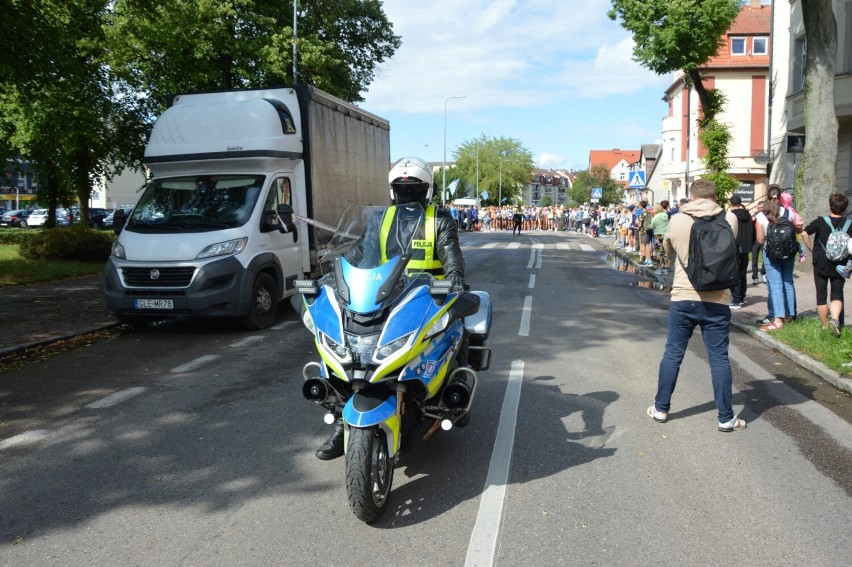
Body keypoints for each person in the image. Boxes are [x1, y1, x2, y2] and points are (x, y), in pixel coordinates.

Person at [314, 156, 466, 460]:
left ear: (426, 191)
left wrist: (455, 282)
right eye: (402, 188)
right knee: (351, 352)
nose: (407, 195)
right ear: (393, 191)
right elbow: (360, 252)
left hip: (427, 299)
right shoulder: (380, 220)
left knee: (456, 329)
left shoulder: (440, 219)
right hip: (383, 294)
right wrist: (335, 273)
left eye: (413, 189)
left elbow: (451, 254)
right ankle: (342, 422)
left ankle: (456, 396)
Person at [647, 178, 746, 432]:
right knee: (719, 358)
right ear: (715, 196)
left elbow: (669, 250)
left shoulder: (678, 220)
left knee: (673, 353)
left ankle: (660, 408)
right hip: (718, 298)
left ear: (691, 197)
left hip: (683, 296)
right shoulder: (729, 219)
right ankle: (725, 417)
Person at [802, 192, 852, 337]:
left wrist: (811, 248)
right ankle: (835, 320)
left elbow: (805, 233)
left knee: (821, 295)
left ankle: (825, 326)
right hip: (840, 264)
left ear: (830, 205)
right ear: (844, 208)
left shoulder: (820, 221)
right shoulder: (850, 224)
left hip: (821, 262)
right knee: (836, 294)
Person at [755, 185, 802, 331]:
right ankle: (789, 316)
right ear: (781, 197)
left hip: (771, 253)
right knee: (788, 282)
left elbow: (760, 239)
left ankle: (778, 320)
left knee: (775, 285)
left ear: (767, 197)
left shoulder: (761, 215)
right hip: (788, 252)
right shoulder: (788, 212)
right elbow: (798, 228)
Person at [728, 195, 755, 309]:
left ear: (730, 204)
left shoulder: (731, 215)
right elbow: (752, 230)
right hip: (746, 247)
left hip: (735, 247)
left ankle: (736, 299)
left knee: (735, 274)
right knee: (743, 272)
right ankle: (742, 296)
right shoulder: (748, 215)